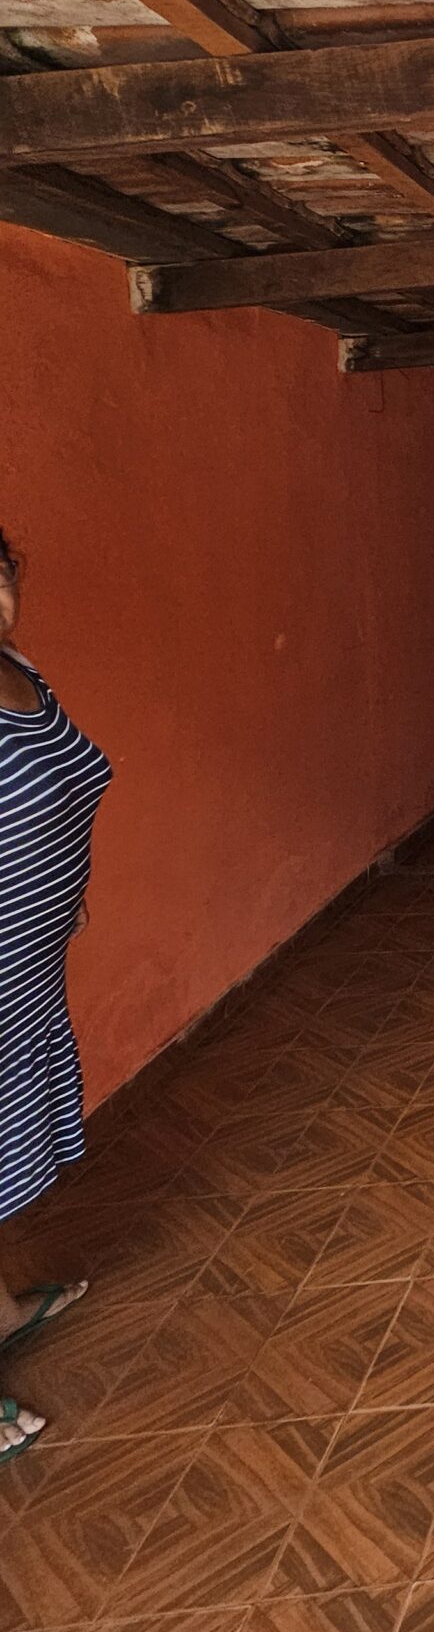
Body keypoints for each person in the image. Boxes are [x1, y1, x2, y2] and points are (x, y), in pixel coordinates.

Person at [0, 526, 107, 1461]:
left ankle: (0, 1310)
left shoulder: (19, 671)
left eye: (0, 576)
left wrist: (65, 892)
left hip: (27, 969)